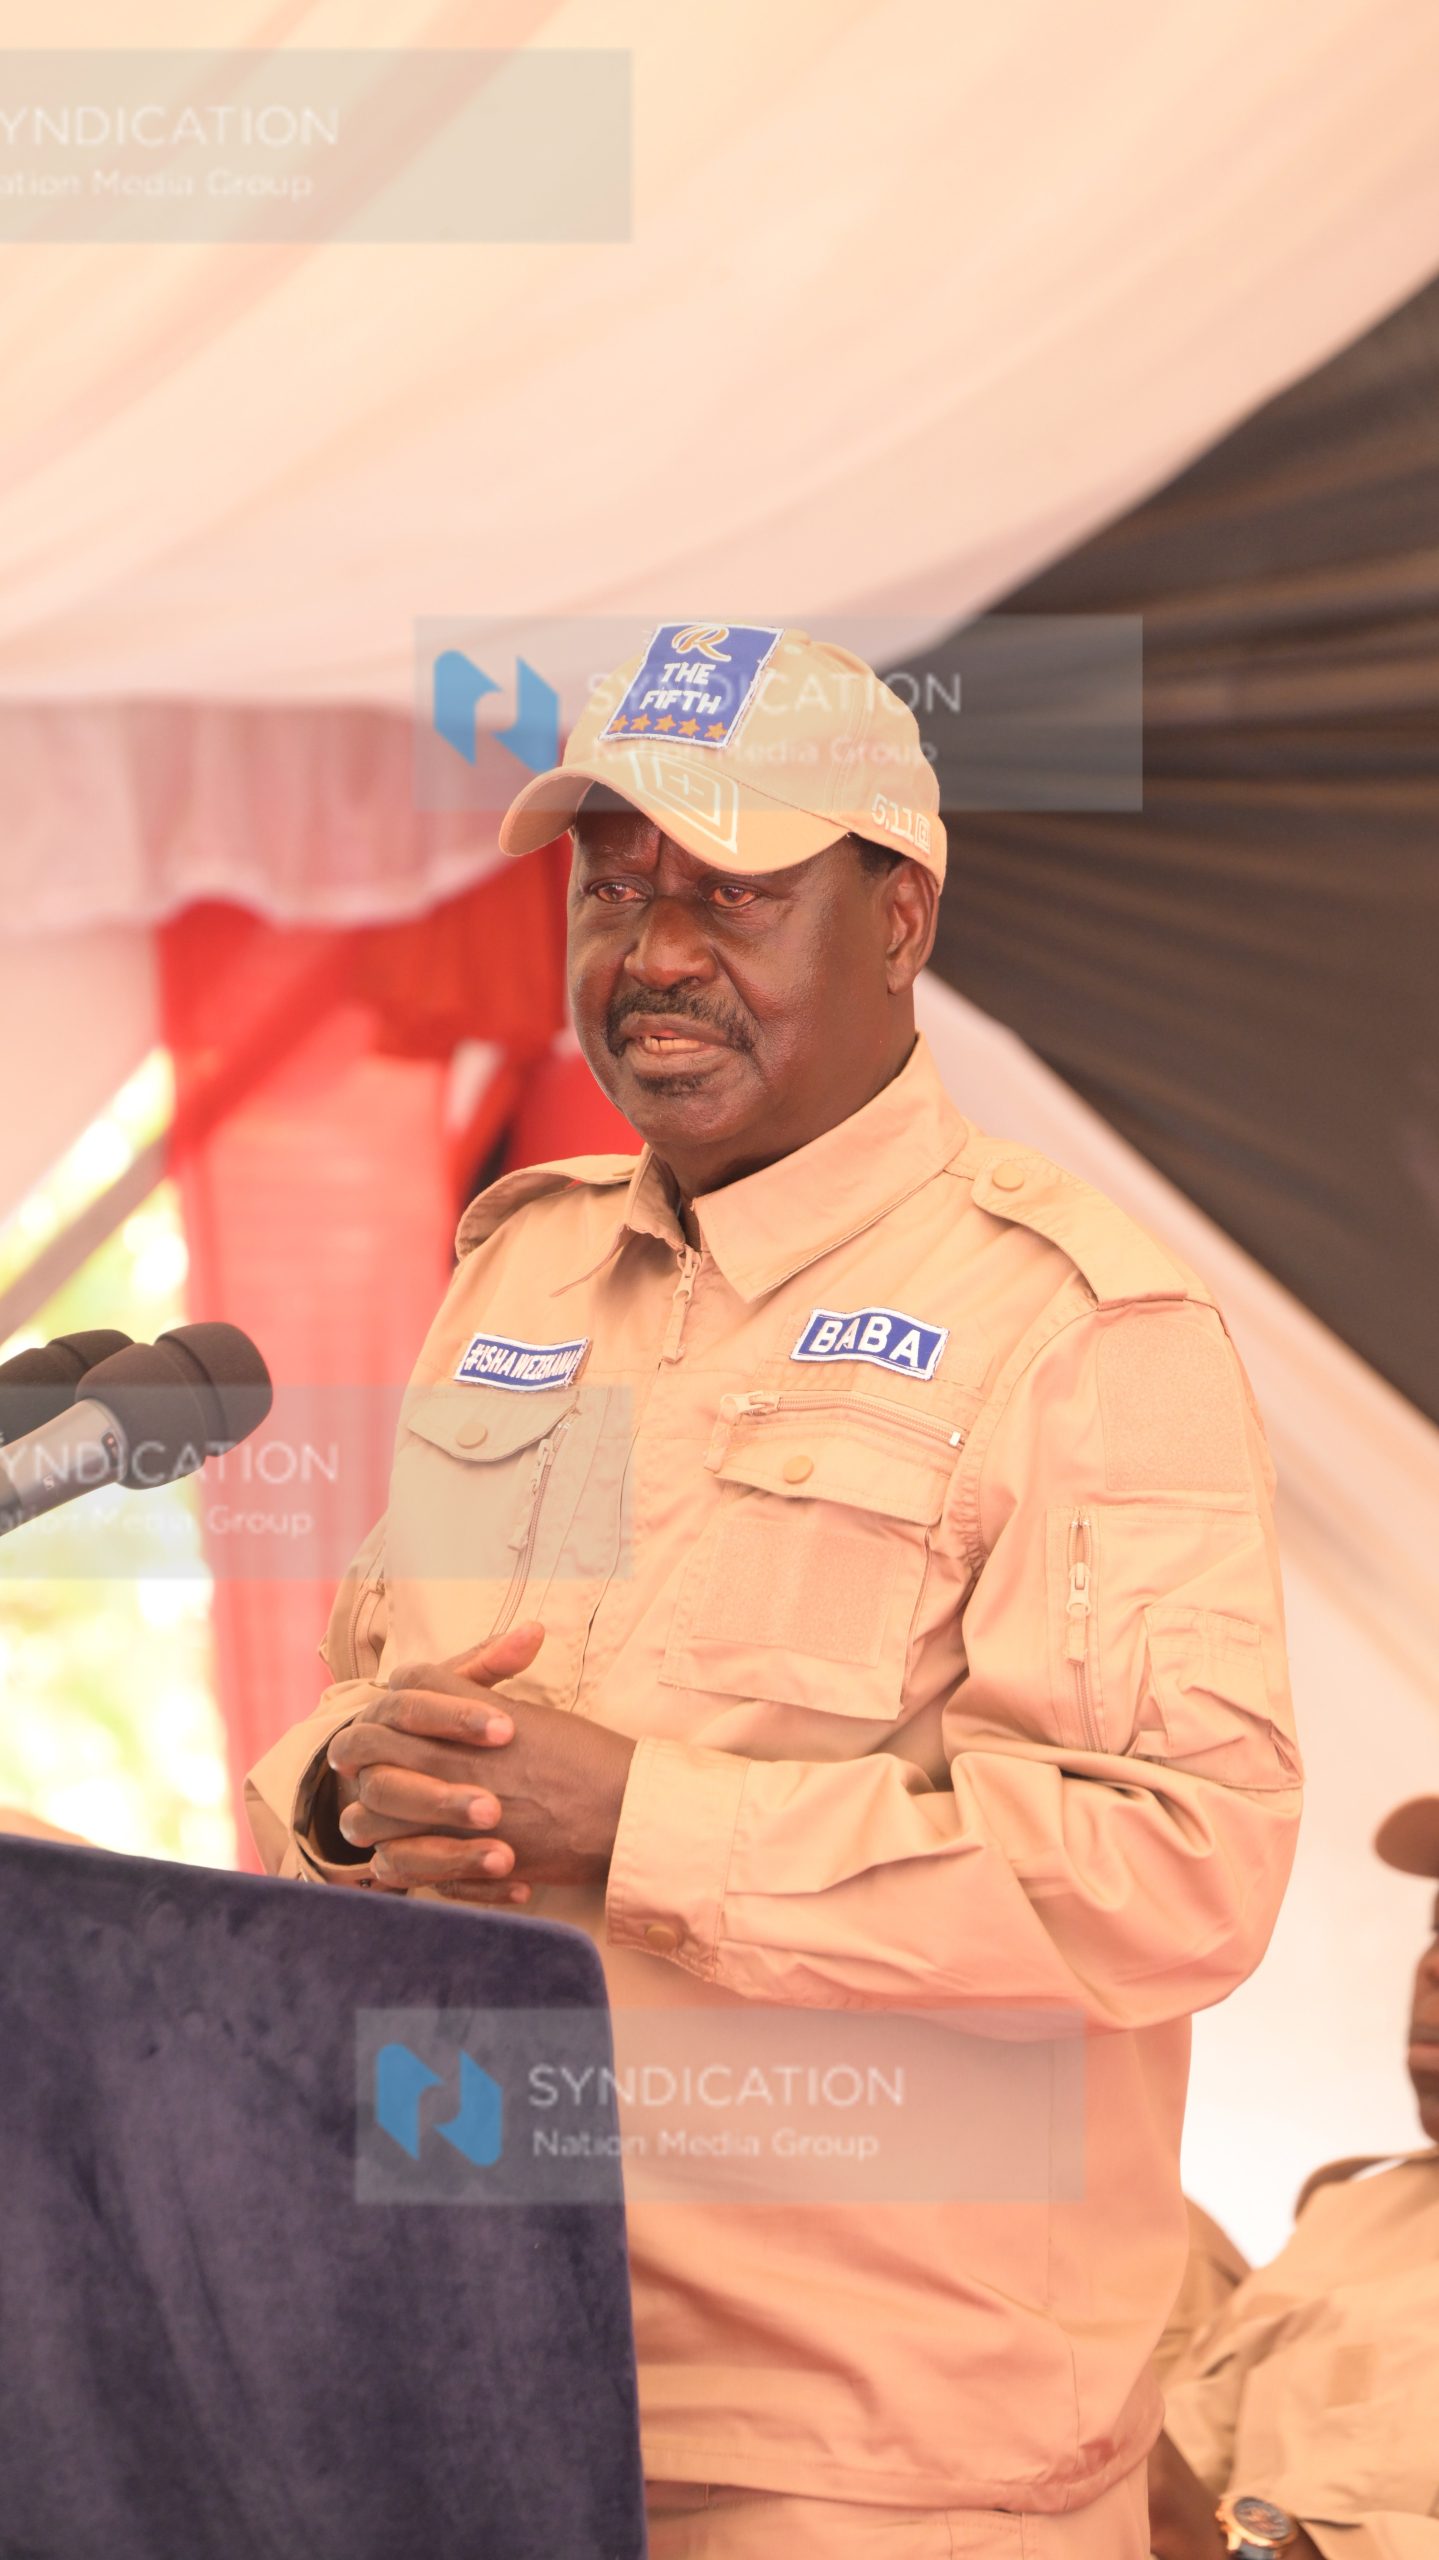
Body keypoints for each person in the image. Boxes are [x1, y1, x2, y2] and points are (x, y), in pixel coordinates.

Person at [247, 625, 1302, 2558]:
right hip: (465, 2346)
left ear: (894, 917)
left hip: (864, 2453)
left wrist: (640, 1820)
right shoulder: (529, 1278)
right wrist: (339, 1788)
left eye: (731, 888)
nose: (648, 948)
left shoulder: (1073, 1324)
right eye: (613, 881)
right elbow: (387, 1691)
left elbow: (1182, 1872)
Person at [1149, 1794, 1439, 2558]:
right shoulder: (1352, 2212)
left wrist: (1253, 2550)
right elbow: (1169, 2484)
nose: (1434, 1964)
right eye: (1437, 1926)